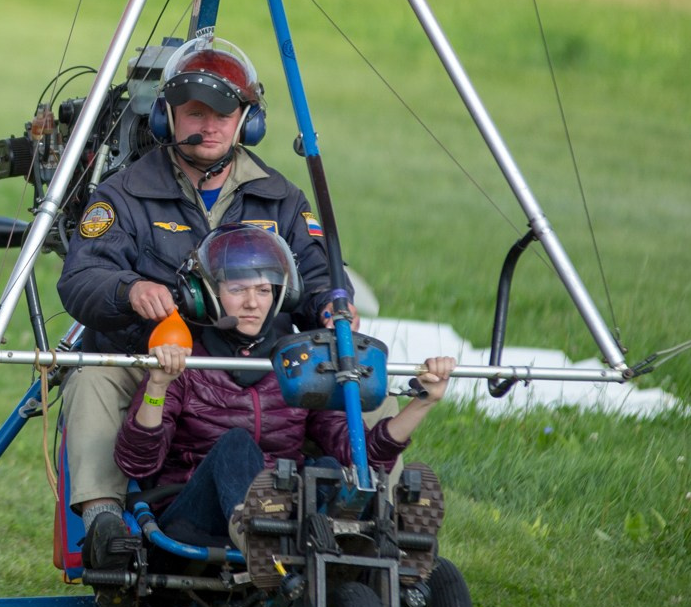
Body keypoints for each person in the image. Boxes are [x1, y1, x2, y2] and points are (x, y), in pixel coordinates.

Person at [56, 34, 349, 568]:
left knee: (361, 377)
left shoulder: (280, 197)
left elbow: (319, 273)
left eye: (224, 114)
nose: (209, 126)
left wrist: (335, 305)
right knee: (93, 377)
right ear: (167, 117)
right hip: (156, 360)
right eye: (195, 112)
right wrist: (129, 290)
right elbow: (82, 277)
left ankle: (363, 521)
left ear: (248, 122)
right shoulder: (123, 194)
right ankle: (104, 525)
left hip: (256, 363)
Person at [112, 225, 456, 581]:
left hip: (284, 511)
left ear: (281, 295)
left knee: (328, 467)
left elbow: (356, 452)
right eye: (238, 289)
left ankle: (390, 534)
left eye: (263, 290)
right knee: (235, 444)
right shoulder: (187, 362)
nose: (252, 303)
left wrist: (423, 403)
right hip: (191, 520)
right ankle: (259, 536)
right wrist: (158, 383)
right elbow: (137, 463)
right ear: (208, 294)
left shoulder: (299, 365)